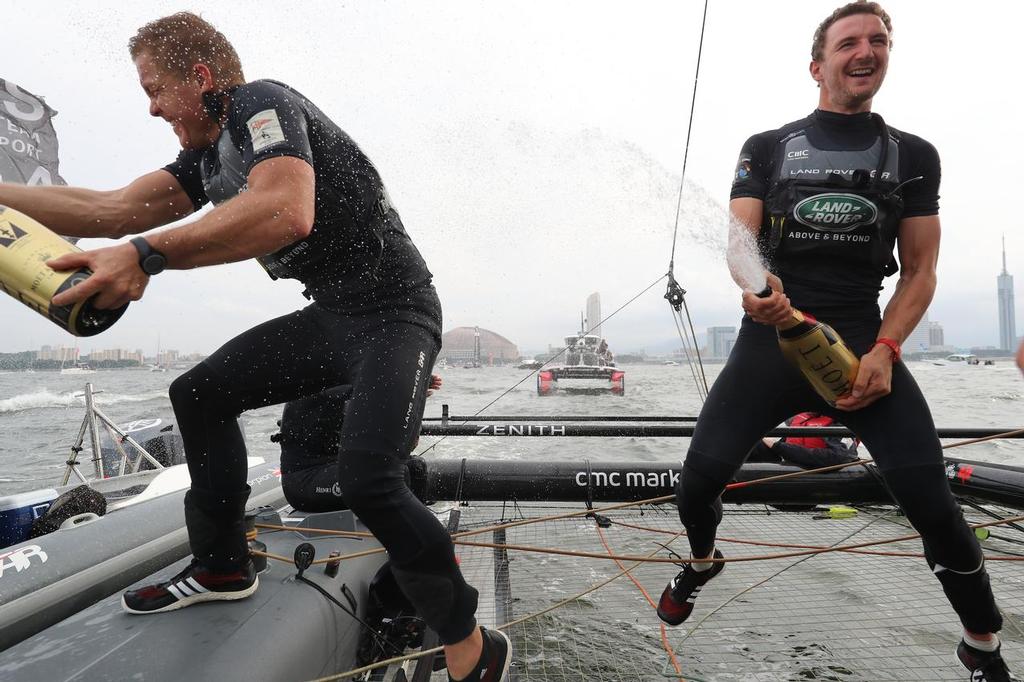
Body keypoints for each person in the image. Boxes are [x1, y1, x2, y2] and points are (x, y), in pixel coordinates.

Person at [0, 14, 509, 681]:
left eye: (156, 88)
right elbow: (109, 210)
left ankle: (471, 643)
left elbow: (284, 209)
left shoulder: (260, 103)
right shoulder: (205, 159)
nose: (150, 106)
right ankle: (220, 566)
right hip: (333, 317)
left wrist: (146, 256)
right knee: (199, 393)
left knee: (369, 478)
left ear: (201, 78)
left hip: (396, 313)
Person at [655, 4, 1017, 680]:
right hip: (773, 337)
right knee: (697, 483)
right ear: (817, 65)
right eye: (849, 41)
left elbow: (921, 271)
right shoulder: (766, 146)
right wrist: (758, 288)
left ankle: (983, 646)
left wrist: (886, 352)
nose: (866, 50)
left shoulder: (915, 155)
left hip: (863, 351)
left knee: (935, 508)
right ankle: (702, 562)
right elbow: (740, 243)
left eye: (879, 40)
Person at [278, 375, 442, 512]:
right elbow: (369, 389)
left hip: (335, 468)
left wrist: (413, 395)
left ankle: (420, 526)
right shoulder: (315, 386)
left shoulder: (345, 395)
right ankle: (401, 534)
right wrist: (409, 387)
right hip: (304, 482)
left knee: (415, 467)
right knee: (395, 474)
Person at [745, 412, 859, 469]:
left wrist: (777, 446)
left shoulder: (840, 423)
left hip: (815, 482)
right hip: (788, 470)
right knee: (750, 443)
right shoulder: (798, 417)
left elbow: (838, 457)